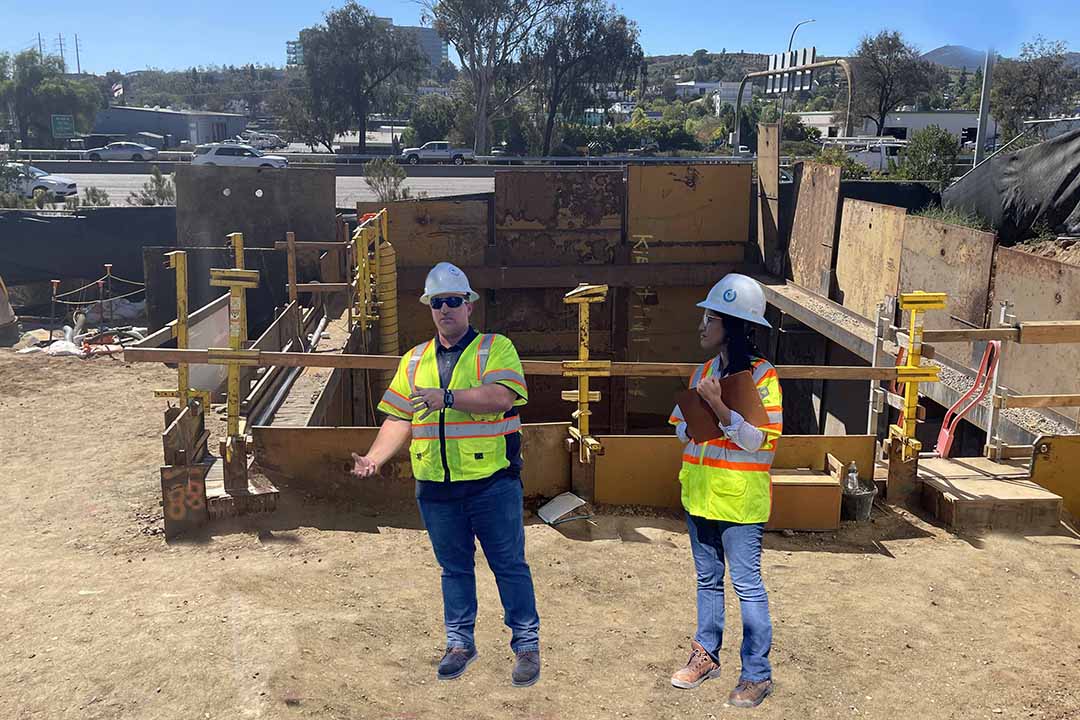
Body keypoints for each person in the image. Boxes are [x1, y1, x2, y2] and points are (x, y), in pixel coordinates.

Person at [350, 261, 542, 687]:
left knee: (509, 565)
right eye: (437, 303)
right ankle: (459, 643)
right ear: (430, 308)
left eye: (453, 301)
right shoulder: (414, 360)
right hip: (436, 487)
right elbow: (399, 417)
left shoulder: (495, 348)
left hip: (492, 483)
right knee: (453, 569)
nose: (445, 309)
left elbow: (501, 397)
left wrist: (448, 397)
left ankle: (526, 645)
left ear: (469, 305)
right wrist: (374, 458)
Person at [667, 273, 783, 708]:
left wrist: (717, 406)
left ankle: (756, 675)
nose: (701, 325)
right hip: (700, 496)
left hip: (739, 502)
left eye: (710, 318)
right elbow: (680, 429)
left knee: (747, 586)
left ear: (732, 324)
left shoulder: (763, 377)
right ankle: (706, 655)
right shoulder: (703, 371)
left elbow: (759, 441)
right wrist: (692, 423)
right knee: (708, 580)